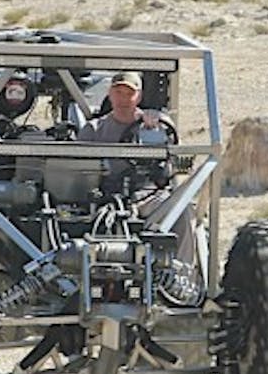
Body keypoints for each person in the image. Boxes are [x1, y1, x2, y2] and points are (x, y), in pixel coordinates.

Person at [78, 72, 199, 294]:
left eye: (129, 93)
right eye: (118, 92)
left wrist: (156, 132)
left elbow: (179, 164)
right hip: (105, 199)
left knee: (184, 210)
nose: (123, 99)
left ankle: (182, 283)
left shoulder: (158, 124)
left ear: (139, 96)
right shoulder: (93, 130)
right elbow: (79, 172)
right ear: (109, 94)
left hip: (148, 196)